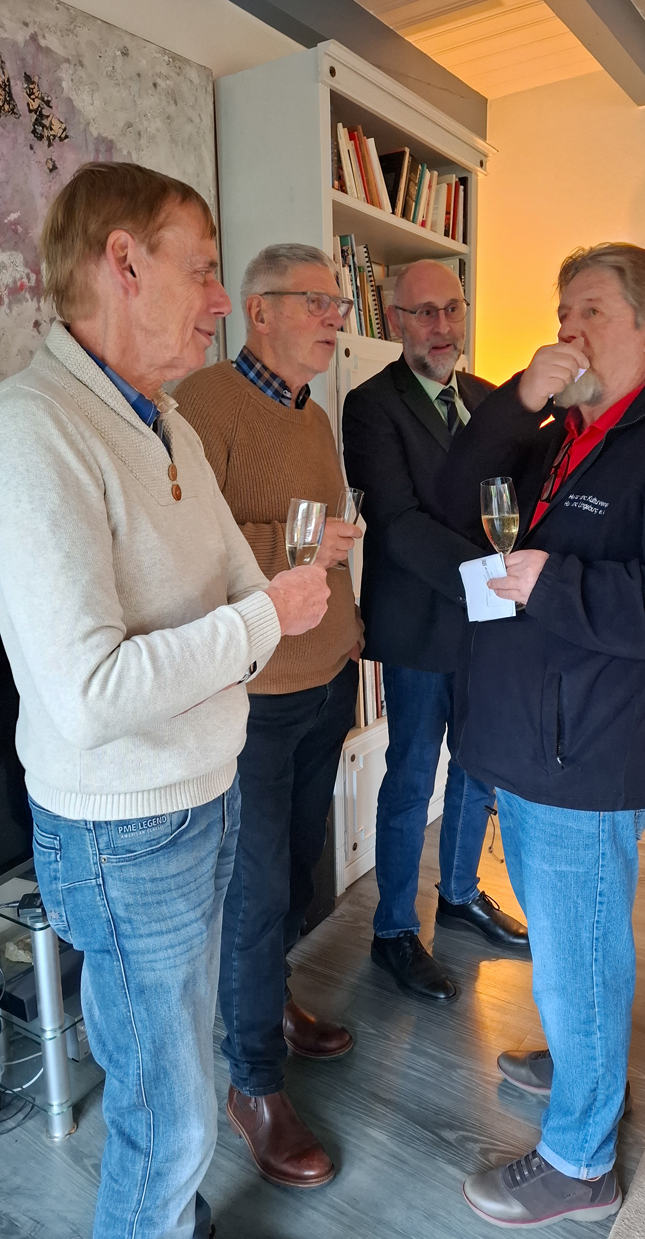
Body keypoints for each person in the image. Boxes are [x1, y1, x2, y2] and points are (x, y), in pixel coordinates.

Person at [0, 163, 329, 1239]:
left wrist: (259, 610)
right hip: (125, 827)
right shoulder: (33, 430)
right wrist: (263, 617)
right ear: (124, 263)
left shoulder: (168, 423)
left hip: (204, 788)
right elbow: (92, 692)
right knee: (170, 1115)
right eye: (203, 269)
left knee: (170, 1076)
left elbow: (241, 582)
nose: (222, 299)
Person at [440, 243, 645, 1229]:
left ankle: (580, 1164)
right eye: (561, 312)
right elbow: (457, 491)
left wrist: (559, 583)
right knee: (572, 939)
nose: (568, 329)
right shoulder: (556, 432)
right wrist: (516, 400)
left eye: (590, 310)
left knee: (577, 948)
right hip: (529, 735)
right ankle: (585, 1061)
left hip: (584, 749)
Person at [176, 244, 363, 1189]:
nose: (336, 318)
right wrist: (304, 538)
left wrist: (347, 619)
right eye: (317, 302)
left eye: (338, 305)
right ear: (259, 311)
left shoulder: (315, 414)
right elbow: (192, 550)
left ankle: (273, 1004)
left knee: (295, 875)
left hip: (326, 679)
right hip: (254, 698)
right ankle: (252, 1083)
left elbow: (317, 551)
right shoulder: (203, 405)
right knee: (253, 899)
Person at [342, 259, 530, 1005]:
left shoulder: (487, 399)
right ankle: (393, 930)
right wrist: (493, 578)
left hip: (485, 629)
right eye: (423, 313)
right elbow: (397, 522)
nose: (442, 326)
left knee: (478, 769)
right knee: (413, 777)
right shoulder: (369, 405)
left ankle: (457, 894)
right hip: (421, 626)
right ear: (395, 321)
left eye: (452, 309)